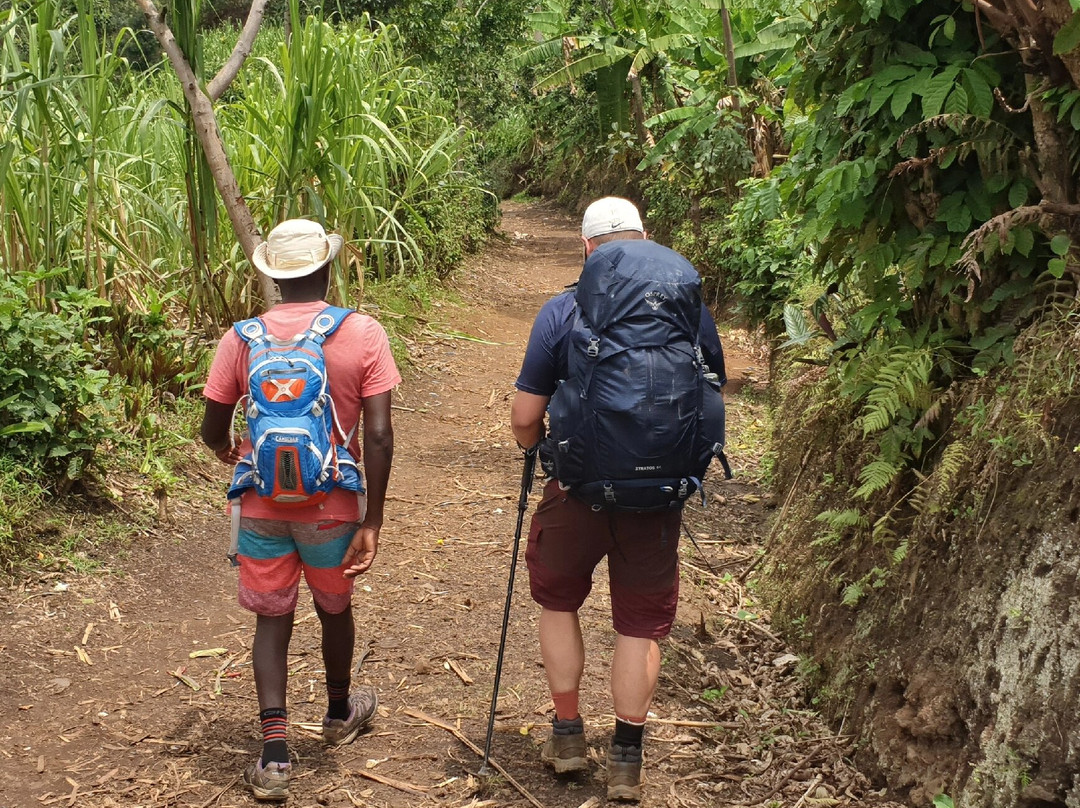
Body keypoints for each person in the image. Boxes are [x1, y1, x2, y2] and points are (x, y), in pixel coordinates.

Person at [509, 197, 726, 802]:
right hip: (657, 501)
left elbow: (525, 418)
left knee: (557, 602)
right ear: (645, 240)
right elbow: (713, 387)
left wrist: (540, 446)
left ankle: (569, 734)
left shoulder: (563, 311)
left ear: (586, 248)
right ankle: (627, 761)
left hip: (576, 491)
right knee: (640, 626)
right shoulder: (688, 310)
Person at [201, 218, 399, 802]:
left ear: (271, 274)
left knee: (272, 620)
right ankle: (339, 713)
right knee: (333, 609)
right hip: (332, 505)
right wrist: (373, 520)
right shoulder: (362, 333)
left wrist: (231, 456)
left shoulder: (241, 338)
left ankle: (276, 756)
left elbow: (212, 427)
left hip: (262, 505)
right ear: (327, 268)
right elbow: (381, 434)